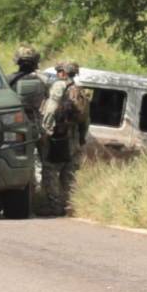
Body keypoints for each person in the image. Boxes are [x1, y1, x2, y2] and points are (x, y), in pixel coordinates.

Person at [39, 61, 90, 216]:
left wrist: (46, 130)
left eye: (59, 71)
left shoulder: (59, 86)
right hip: (74, 137)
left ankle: (54, 207)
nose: (57, 74)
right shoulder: (79, 90)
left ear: (63, 73)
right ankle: (70, 206)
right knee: (69, 173)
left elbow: (51, 108)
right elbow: (86, 119)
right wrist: (81, 137)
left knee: (50, 170)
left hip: (59, 136)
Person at [8, 44, 48, 192]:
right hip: (38, 125)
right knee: (45, 163)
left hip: (16, 127)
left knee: (19, 160)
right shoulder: (44, 80)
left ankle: (25, 192)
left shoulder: (7, 80)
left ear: (17, 61)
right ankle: (43, 195)